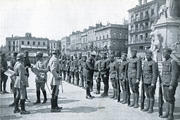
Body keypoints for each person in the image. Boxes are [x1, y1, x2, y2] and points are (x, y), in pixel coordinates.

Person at [160, 48, 179, 120]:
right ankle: (167, 113)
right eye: (163, 52)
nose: (163, 54)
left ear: (168, 53)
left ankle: (171, 115)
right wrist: (162, 81)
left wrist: (172, 84)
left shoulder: (173, 62)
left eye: (165, 53)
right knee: (166, 98)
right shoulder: (165, 62)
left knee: (170, 99)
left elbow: (174, 75)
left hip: (170, 84)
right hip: (165, 83)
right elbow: (163, 73)